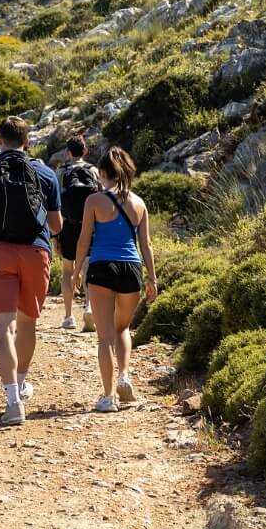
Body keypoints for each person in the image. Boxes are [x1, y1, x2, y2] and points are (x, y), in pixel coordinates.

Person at [0, 116, 62, 427]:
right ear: (27, 141)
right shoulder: (45, 173)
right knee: (28, 323)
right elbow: (57, 226)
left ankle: (12, 400)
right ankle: (21, 380)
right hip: (36, 252)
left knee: (4, 328)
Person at [74, 146, 158, 413]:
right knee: (122, 329)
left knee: (103, 338)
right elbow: (146, 245)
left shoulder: (94, 201)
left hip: (102, 268)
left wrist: (76, 271)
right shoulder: (139, 203)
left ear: (101, 173)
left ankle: (108, 397)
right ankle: (124, 375)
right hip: (132, 269)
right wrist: (152, 280)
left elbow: (84, 239)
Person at [55, 135, 100, 331]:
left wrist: (55, 234)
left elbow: (55, 203)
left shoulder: (61, 172)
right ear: (85, 151)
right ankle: (89, 307)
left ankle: (68, 316)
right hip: (89, 226)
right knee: (88, 267)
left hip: (68, 226)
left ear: (68, 152)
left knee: (68, 270)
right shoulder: (94, 171)